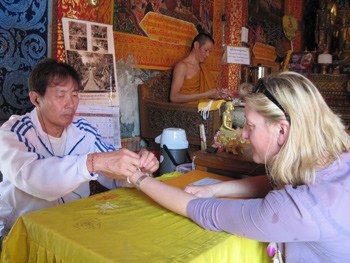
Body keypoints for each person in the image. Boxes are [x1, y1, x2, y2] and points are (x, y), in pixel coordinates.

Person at [123, 72, 350, 262]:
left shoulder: (299, 210)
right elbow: (275, 183)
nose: (243, 134)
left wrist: (138, 178)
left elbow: (202, 210)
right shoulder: (337, 160)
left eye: (250, 126)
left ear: (282, 131)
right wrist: (216, 189)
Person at [0, 58, 159, 247]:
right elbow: (35, 179)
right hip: (22, 232)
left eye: (74, 95)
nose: (70, 104)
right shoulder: (14, 132)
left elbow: (114, 173)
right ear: (36, 99)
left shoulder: (84, 132)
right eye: (61, 95)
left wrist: (139, 165)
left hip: (72, 228)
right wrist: (93, 162)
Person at [170, 33, 233, 104]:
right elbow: (174, 97)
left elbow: (209, 91)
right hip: (187, 110)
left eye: (209, 52)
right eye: (206, 50)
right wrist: (205, 95)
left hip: (203, 108)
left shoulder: (202, 67)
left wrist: (220, 94)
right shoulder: (182, 67)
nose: (207, 55)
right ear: (196, 45)